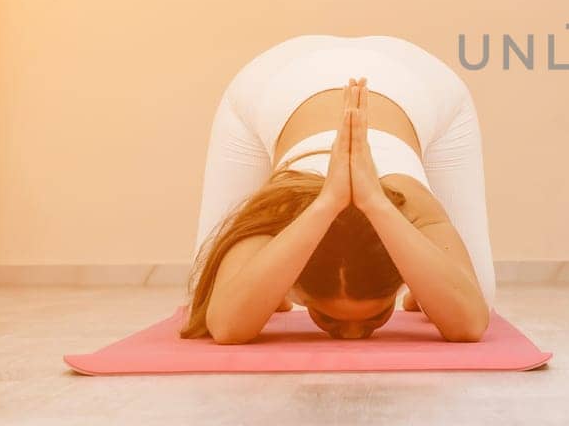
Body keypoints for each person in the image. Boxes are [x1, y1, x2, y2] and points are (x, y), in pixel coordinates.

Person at [184, 35, 493, 343]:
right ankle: (272, 279)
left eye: (377, 316)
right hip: (276, 81)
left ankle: (422, 285)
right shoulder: (280, 208)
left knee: (479, 300)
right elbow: (226, 327)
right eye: (326, 317)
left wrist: (376, 202)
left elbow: (469, 324)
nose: (352, 336)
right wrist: (327, 203)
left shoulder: (412, 205)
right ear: (298, 286)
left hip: (423, 84)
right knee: (208, 295)